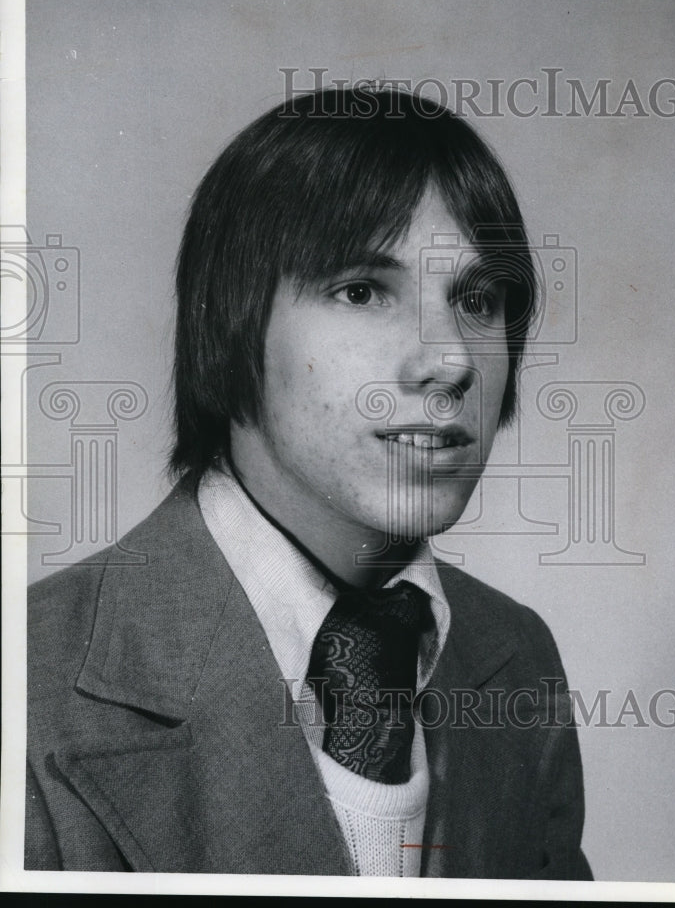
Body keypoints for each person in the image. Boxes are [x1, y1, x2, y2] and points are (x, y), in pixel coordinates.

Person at [26, 87, 592, 879]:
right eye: (362, 291)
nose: (453, 359)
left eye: (477, 298)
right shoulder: (28, 680)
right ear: (227, 324)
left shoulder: (516, 657)